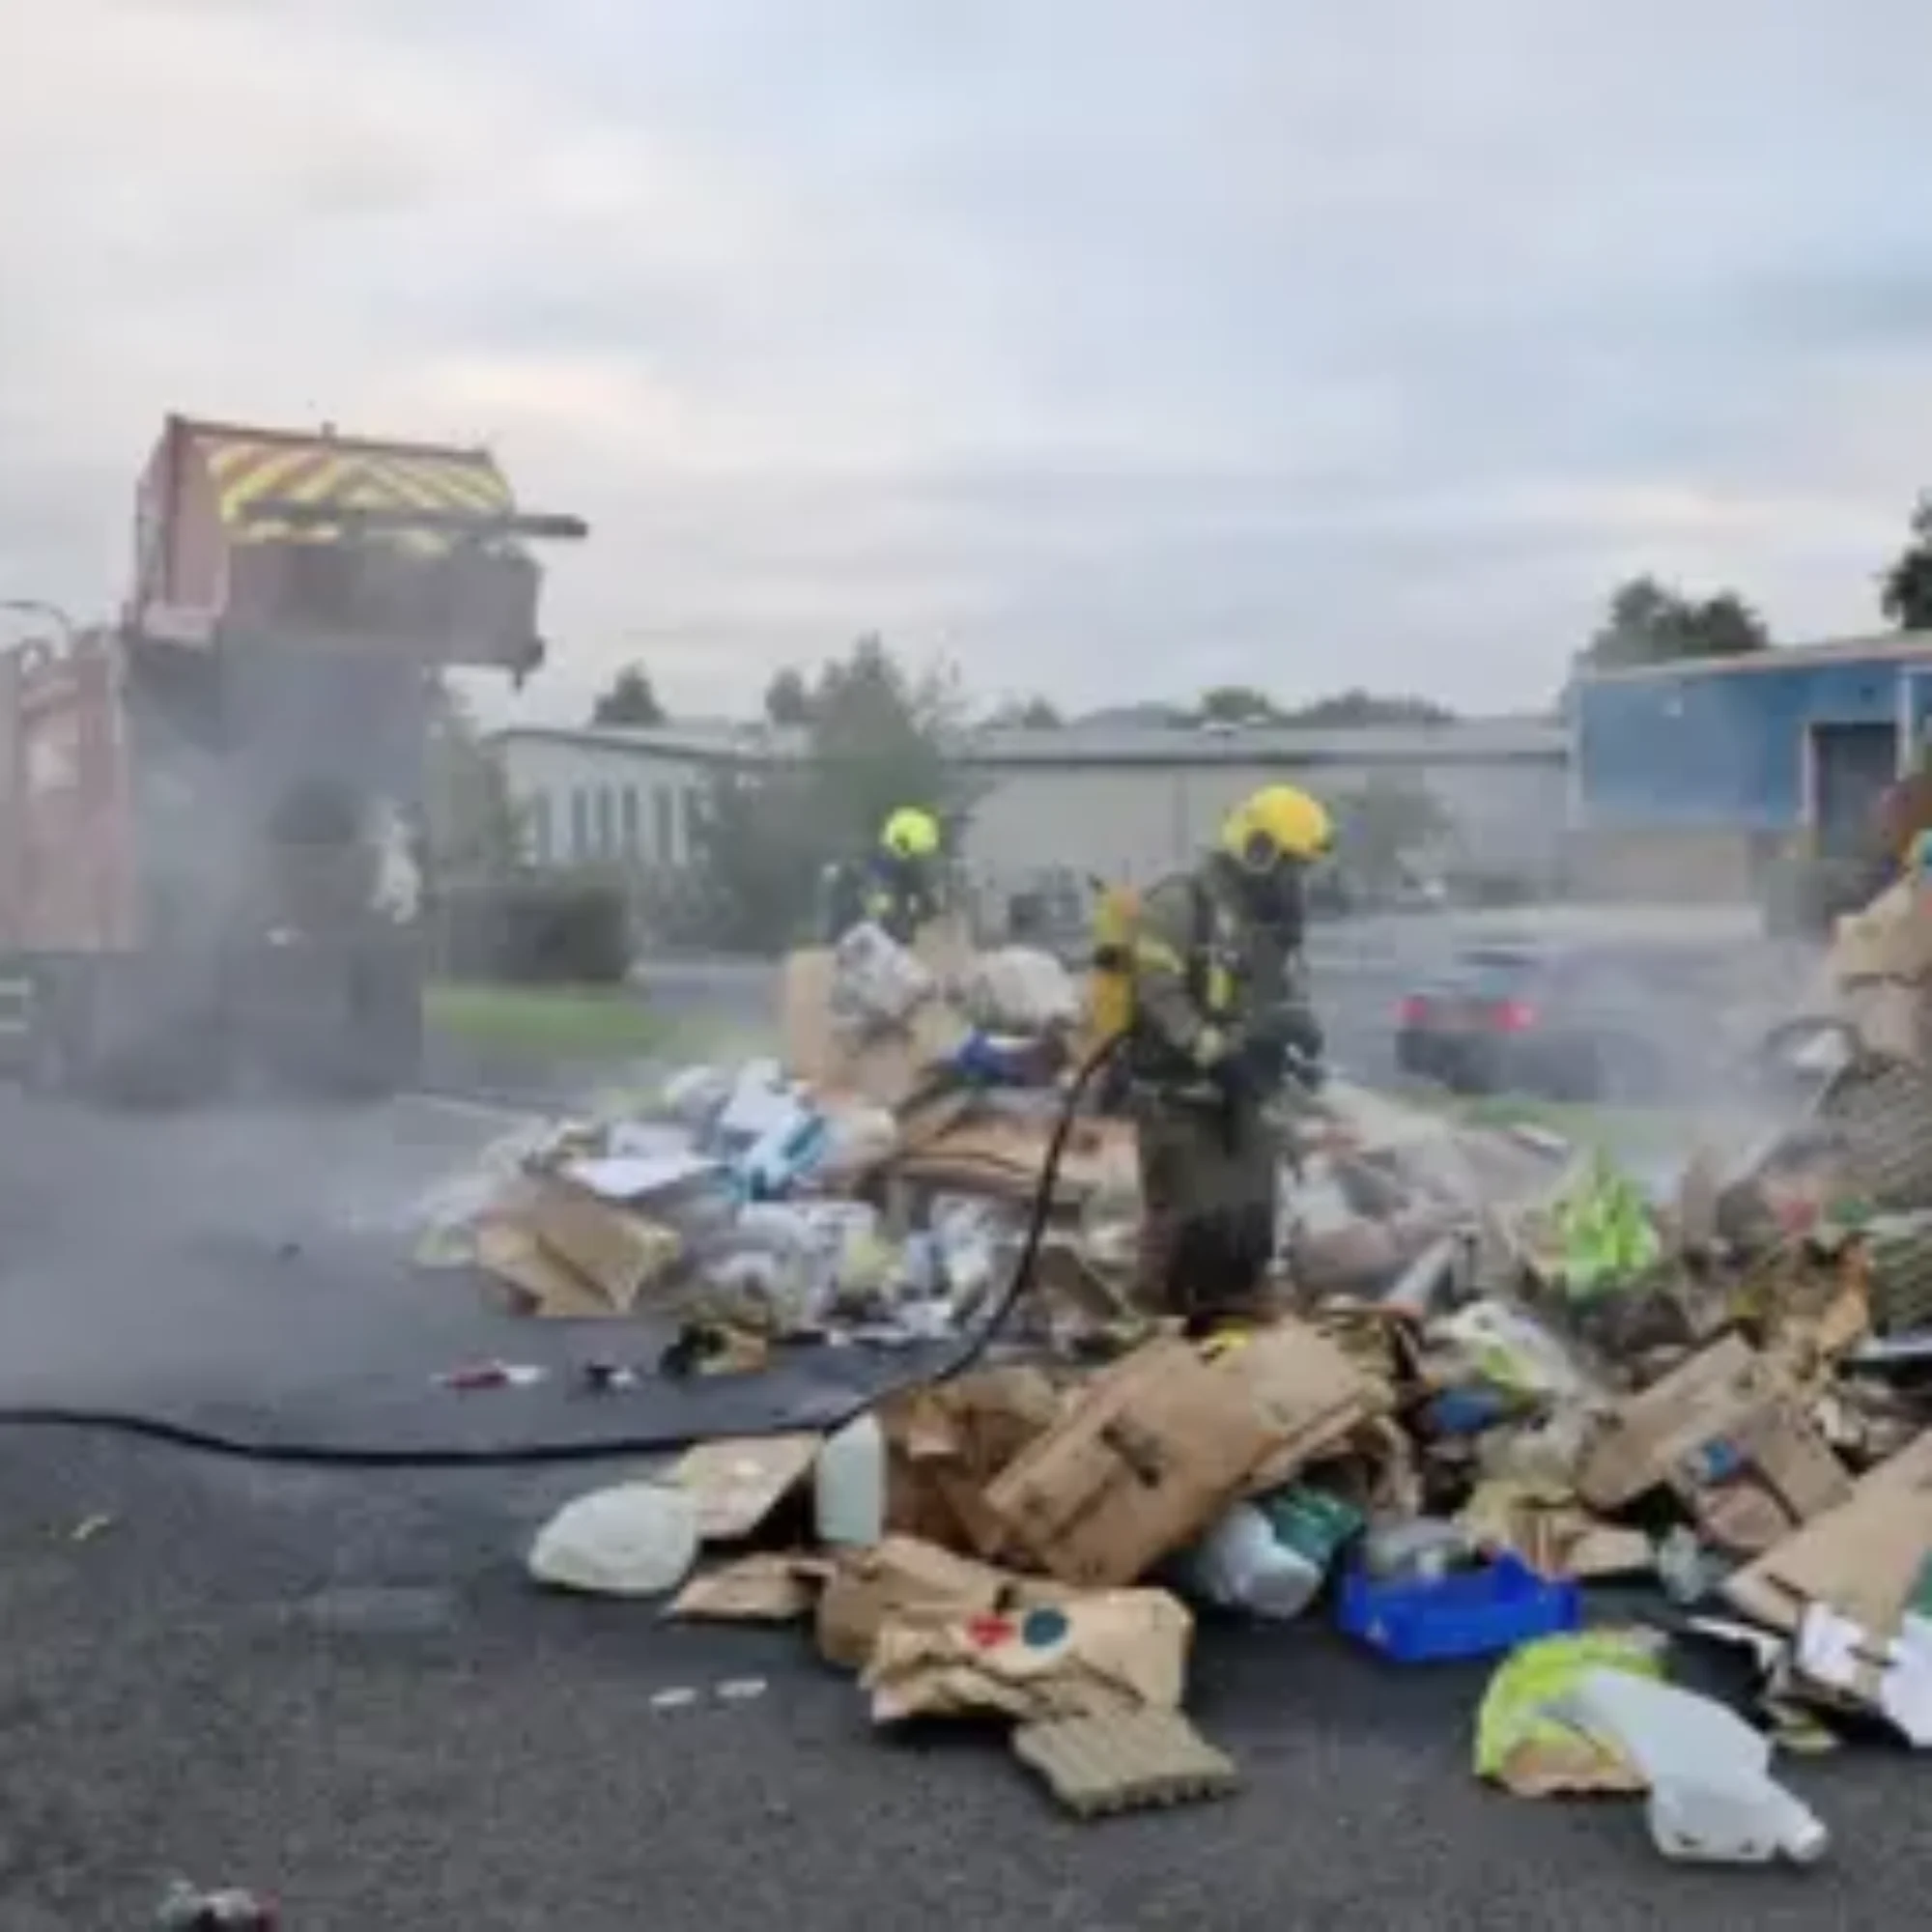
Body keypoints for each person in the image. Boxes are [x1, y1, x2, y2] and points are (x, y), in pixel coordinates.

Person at [1122, 783, 1332, 1327]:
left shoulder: (1271, 921)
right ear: (1258, 851)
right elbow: (1158, 992)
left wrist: (1295, 1038)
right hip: (1180, 1097)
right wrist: (1216, 1055)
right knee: (1188, 1232)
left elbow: (1277, 993)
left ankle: (1239, 1334)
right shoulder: (1179, 903)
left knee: (1250, 1229)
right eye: (1290, 867)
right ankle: (1156, 1334)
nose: (1295, 883)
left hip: (1244, 1097)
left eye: (1302, 871)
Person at [858, 806, 945, 945]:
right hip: (905, 867)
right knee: (908, 899)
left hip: (896, 869)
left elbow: (888, 842)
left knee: (899, 900)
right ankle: (906, 926)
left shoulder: (897, 822)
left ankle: (900, 928)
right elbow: (929, 847)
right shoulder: (922, 824)